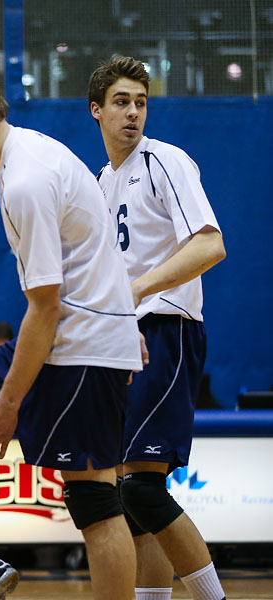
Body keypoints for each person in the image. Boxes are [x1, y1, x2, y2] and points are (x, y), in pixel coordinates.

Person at [0, 66, 145, 600]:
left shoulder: (26, 178)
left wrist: (9, 403)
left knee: (95, 501)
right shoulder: (24, 156)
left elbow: (45, 303)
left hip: (81, 342)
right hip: (80, 330)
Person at [88, 56, 227, 600]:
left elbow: (210, 245)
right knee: (131, 494)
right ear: (96, 110)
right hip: (125, 342)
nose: (133, 113)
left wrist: (138, 290)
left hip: (166, 331)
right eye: (121, 102)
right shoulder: (101, 180)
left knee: (143, 489)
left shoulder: (165, 161)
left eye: (141, 102)